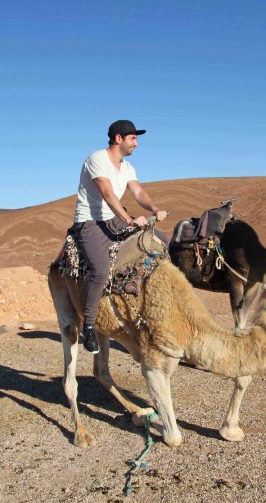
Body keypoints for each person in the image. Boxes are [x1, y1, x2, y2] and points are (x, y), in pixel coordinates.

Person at [71, 120, 168, 354]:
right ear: (118, 139)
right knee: (101, 269)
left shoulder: (127, 168)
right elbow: (106, 192)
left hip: (115, 219)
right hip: (91, 222)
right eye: (133, 138)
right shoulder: (97, 159)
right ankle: (90, 325)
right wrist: (128, 219)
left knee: (160, 241)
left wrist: (154, 210)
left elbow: (138, 192)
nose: (136, 143)